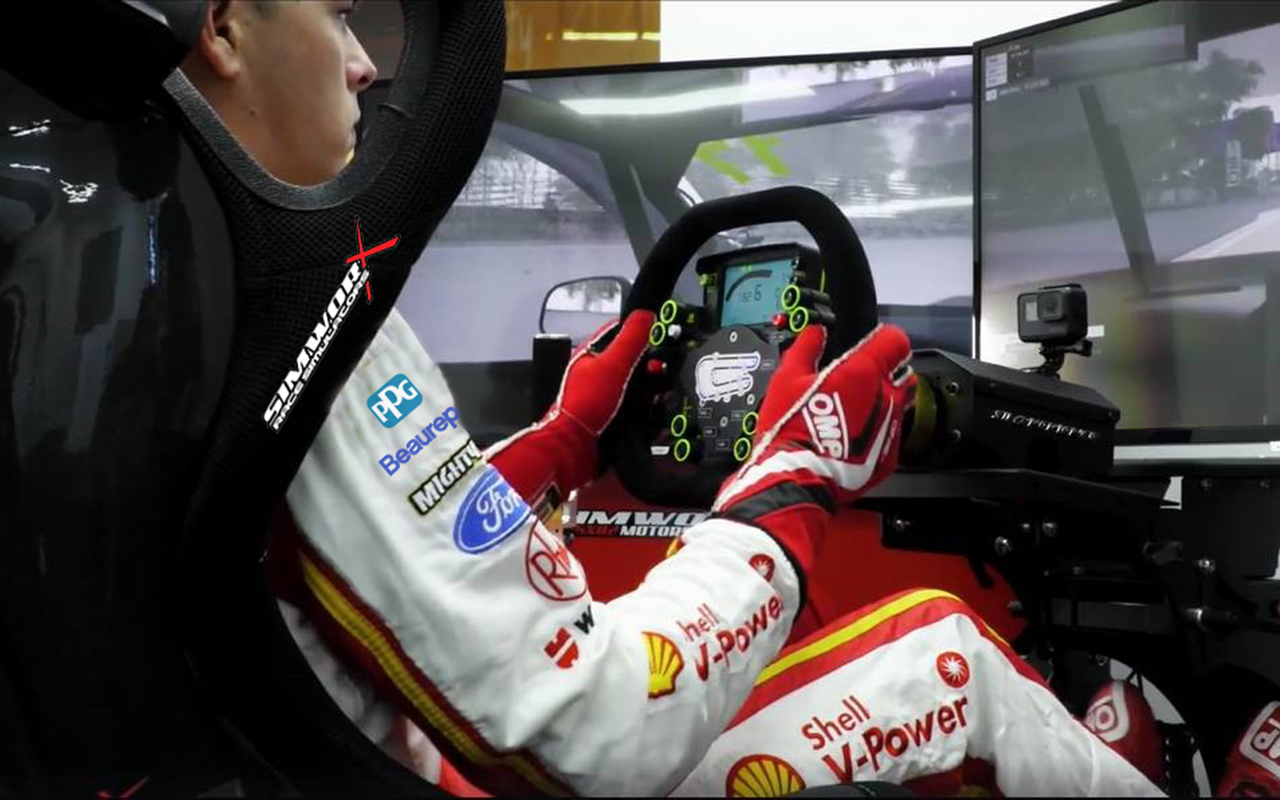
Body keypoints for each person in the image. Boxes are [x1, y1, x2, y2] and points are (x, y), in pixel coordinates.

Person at [181, 1, 1166, 795]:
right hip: (505, 771)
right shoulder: (304, 315)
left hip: (371, 755)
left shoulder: (176, 287)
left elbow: (385, 535)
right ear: (222, 27)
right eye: (339, 16)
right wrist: (795, 470)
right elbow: (604, 733)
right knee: (946, 654)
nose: (366, 65)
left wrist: (565, 439)